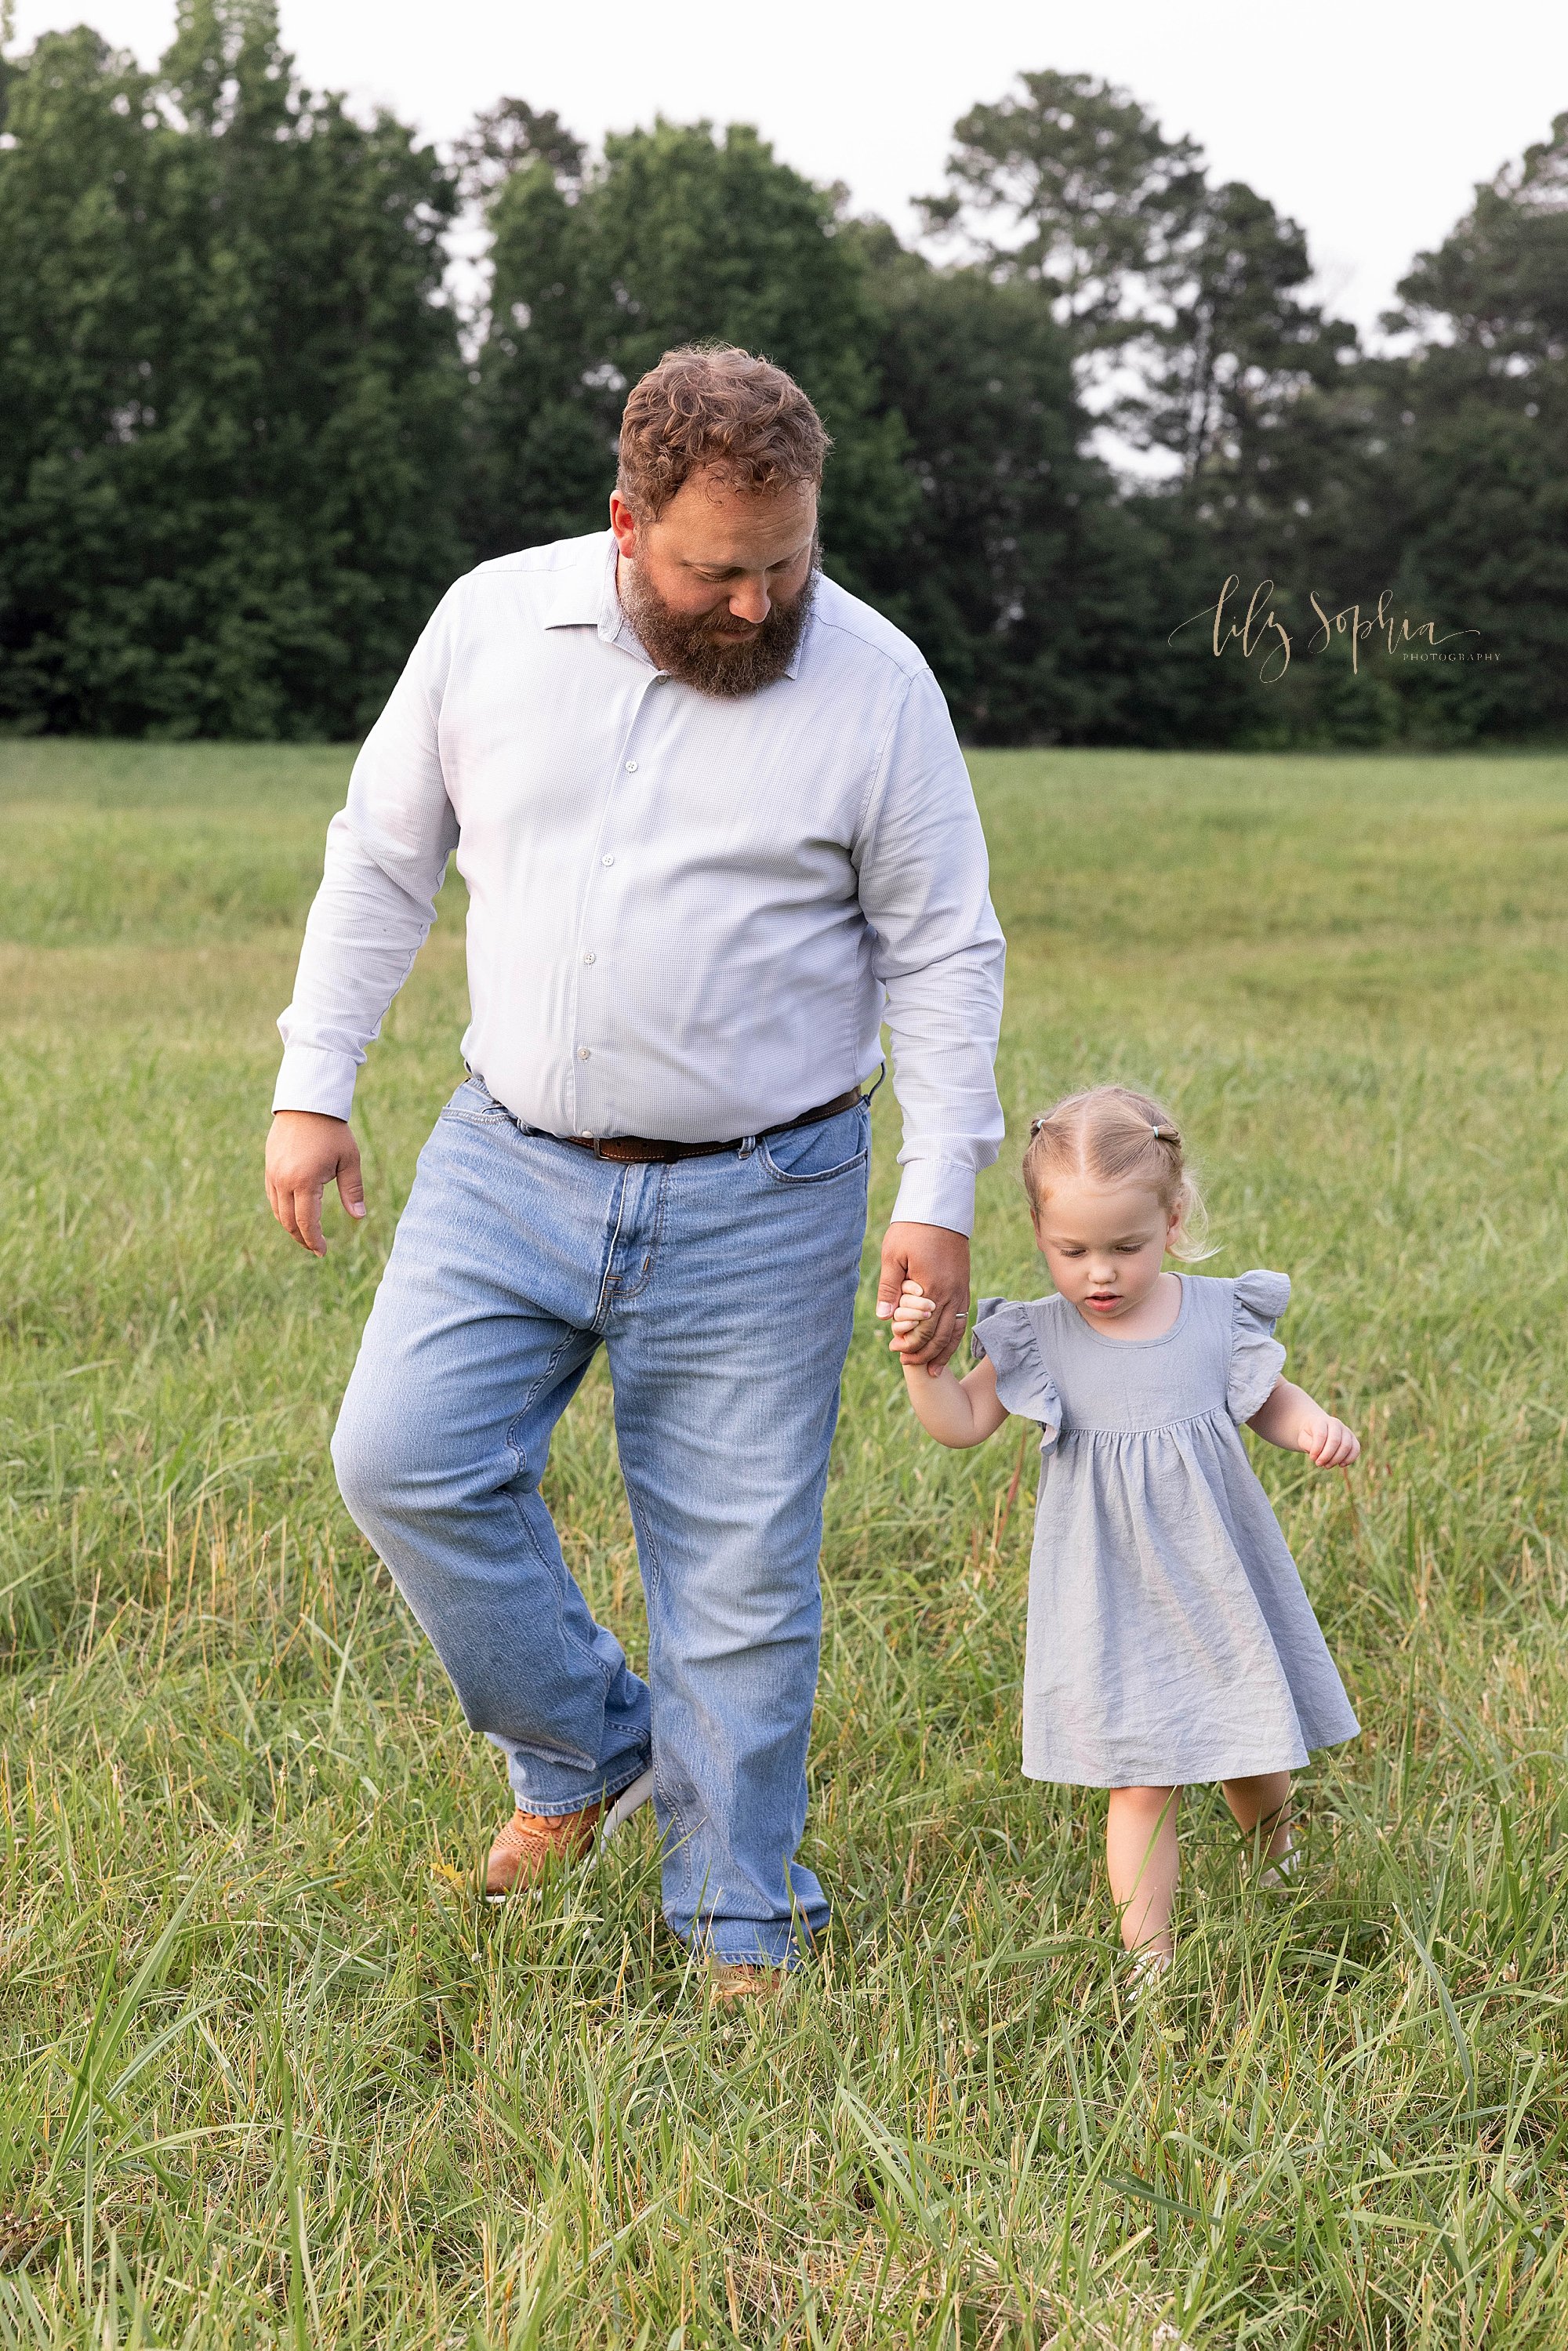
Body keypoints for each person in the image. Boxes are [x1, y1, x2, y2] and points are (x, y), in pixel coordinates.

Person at [264, 345, 1006, 1999]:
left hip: (771, 1185)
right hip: (505, 1160)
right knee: (400, 1456)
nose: (755, 604)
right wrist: (315, 1082)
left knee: (738, 1575)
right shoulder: (488, 628)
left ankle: (740, 1914)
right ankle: (593, 1744)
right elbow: (383, 857)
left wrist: (937, 1189)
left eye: (786, 562)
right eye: (715, 569)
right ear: (625, 524)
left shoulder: (876, 683)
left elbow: (946, 950)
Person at [891, 1083, 1360, 1995]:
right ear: (1037, 1231)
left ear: (1172, 1219)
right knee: (1138, 1780)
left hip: (1215, 1574)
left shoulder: (1214, 1314)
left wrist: (1311, 1425)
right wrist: (925, 1365)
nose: (1097, 1273)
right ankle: (1148, 1961)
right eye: (1070, 1250)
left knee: (1250, 1748)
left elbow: (1266, 1398)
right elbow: (958, 1421)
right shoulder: (1041, 1336)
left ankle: (1276, 1854)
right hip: (1105, 1591)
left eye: (1124, 1247)